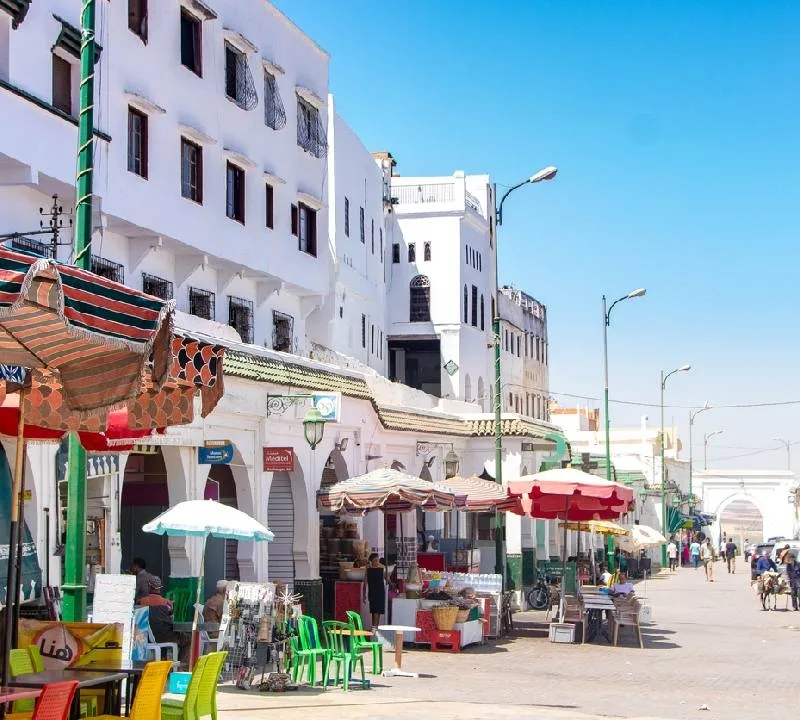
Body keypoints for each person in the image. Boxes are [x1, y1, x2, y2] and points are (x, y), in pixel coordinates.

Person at [363, 553, 387, 631]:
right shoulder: (372, 568)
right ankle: (375, 629)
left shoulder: (381, 567)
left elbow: (386, 579)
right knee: (375, 611)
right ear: (371, 561)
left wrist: (392, 584)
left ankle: (374, 628)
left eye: (378, 560)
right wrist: (364, 595)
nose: (377, 562)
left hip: (378, 592)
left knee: (376, 611)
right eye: (375, 560)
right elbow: (365, 582)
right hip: (375, 592)